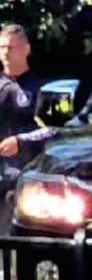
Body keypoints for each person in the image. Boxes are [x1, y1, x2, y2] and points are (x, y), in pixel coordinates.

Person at [0, 25, 48, 178]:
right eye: (2, 47)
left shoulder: (41, 88)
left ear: (26, 49)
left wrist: (21, 142)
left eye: (11, 47)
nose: (6, 53)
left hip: (29, 173)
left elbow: (56, 130)